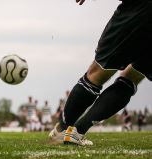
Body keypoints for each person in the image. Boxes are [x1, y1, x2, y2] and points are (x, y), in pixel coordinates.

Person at [49, 0, 152, 145]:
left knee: (96, 74)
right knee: (132, 78)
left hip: (139, 9)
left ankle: (63, 129)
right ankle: (77, 131)